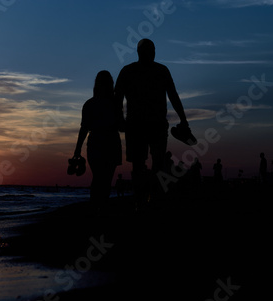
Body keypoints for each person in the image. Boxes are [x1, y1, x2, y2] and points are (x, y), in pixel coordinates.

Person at [114, 39, 190, 208]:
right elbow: (117, 97)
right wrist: (119, 119)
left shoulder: (160, 71)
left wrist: (184, 119)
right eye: (149, 50)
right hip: (137, 126)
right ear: (140, 52)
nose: (152, 53)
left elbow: (173, 96)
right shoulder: (130, 71)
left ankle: (151, 198)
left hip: (152, 125)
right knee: (141, 164)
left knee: (155, 163)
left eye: (153, 50)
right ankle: (143, 198)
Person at [74, 70, 122, 209]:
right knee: (106, 180)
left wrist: (77, 150)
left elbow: (84, 129)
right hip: (111, 141)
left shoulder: (89, 104)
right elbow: (121, 126)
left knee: (98, 178)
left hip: (96, 142)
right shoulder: (115, 103)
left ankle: (96, 208)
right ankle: (102, 208)